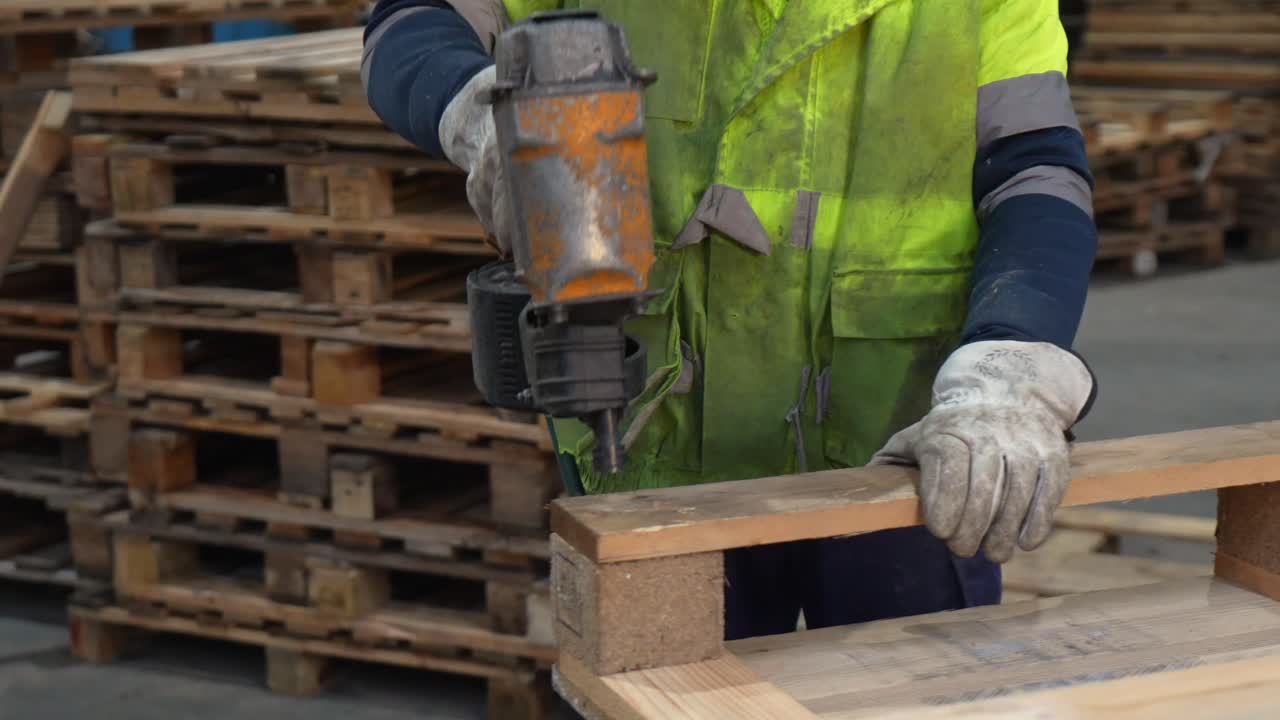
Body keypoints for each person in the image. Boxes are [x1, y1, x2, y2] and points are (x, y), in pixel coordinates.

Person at [362, 1, 1098, 640]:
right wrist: (477, 112)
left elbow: (1033, 170)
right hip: (653, 443)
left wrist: (1011, 360)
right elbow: (411, 19)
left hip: (904, 451)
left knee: (910, 701)